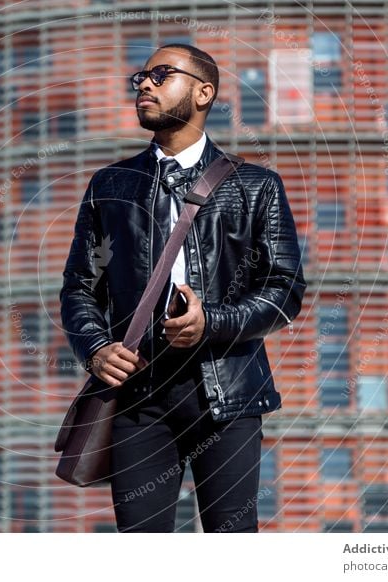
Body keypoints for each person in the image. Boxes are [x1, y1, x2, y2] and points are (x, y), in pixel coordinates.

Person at [59, 43, 307, 532]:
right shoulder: (111, 184)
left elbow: (285, 291)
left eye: (161, 74)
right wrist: (94, 348)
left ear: (203, 92)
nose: (144, 84)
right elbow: (79, 287)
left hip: (227, 394)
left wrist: (211, 322)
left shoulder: (257, 186)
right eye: (142, 77)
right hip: (137, 397)